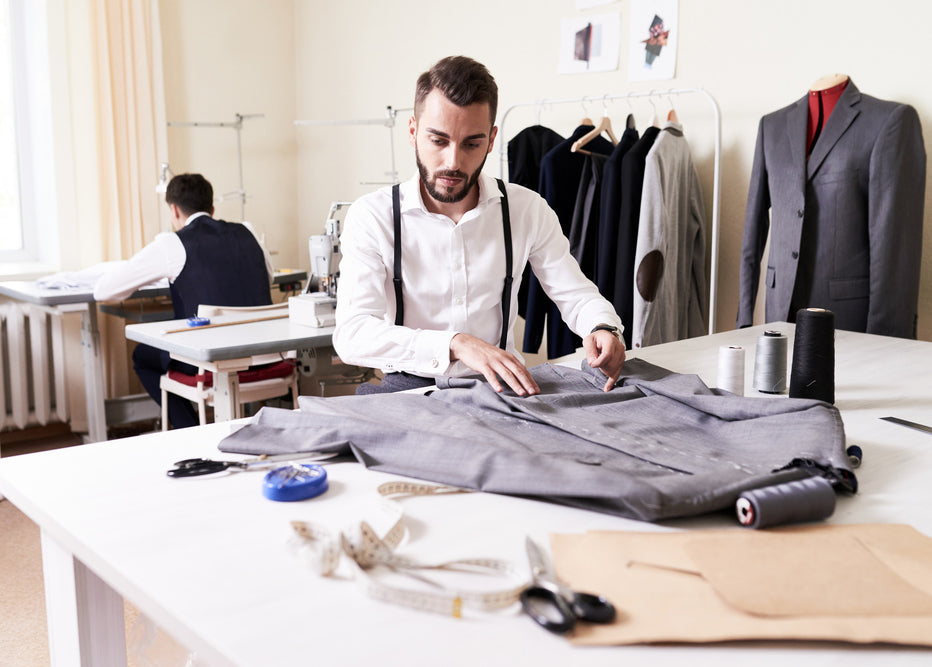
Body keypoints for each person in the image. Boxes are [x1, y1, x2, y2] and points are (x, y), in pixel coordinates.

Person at [333, 56, 626, 396]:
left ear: (491, 139)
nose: (453, 162)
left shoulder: (526, 209)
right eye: (438, 141)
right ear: (413, 132)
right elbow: (353, 335)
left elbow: (575, 295)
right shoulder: (373, 216)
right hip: (408, 393)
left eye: (471, 143)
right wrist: (455, 344)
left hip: (501, 391)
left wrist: (603, 327)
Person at [94, 173, 274, 428]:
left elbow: (103, 291)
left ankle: (189, 430)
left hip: (209, 361)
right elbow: (268, 277)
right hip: (266, 355)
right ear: (212, 208)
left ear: (174, 209)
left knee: (142, 356)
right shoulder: (248, 232)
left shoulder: (173, 244)